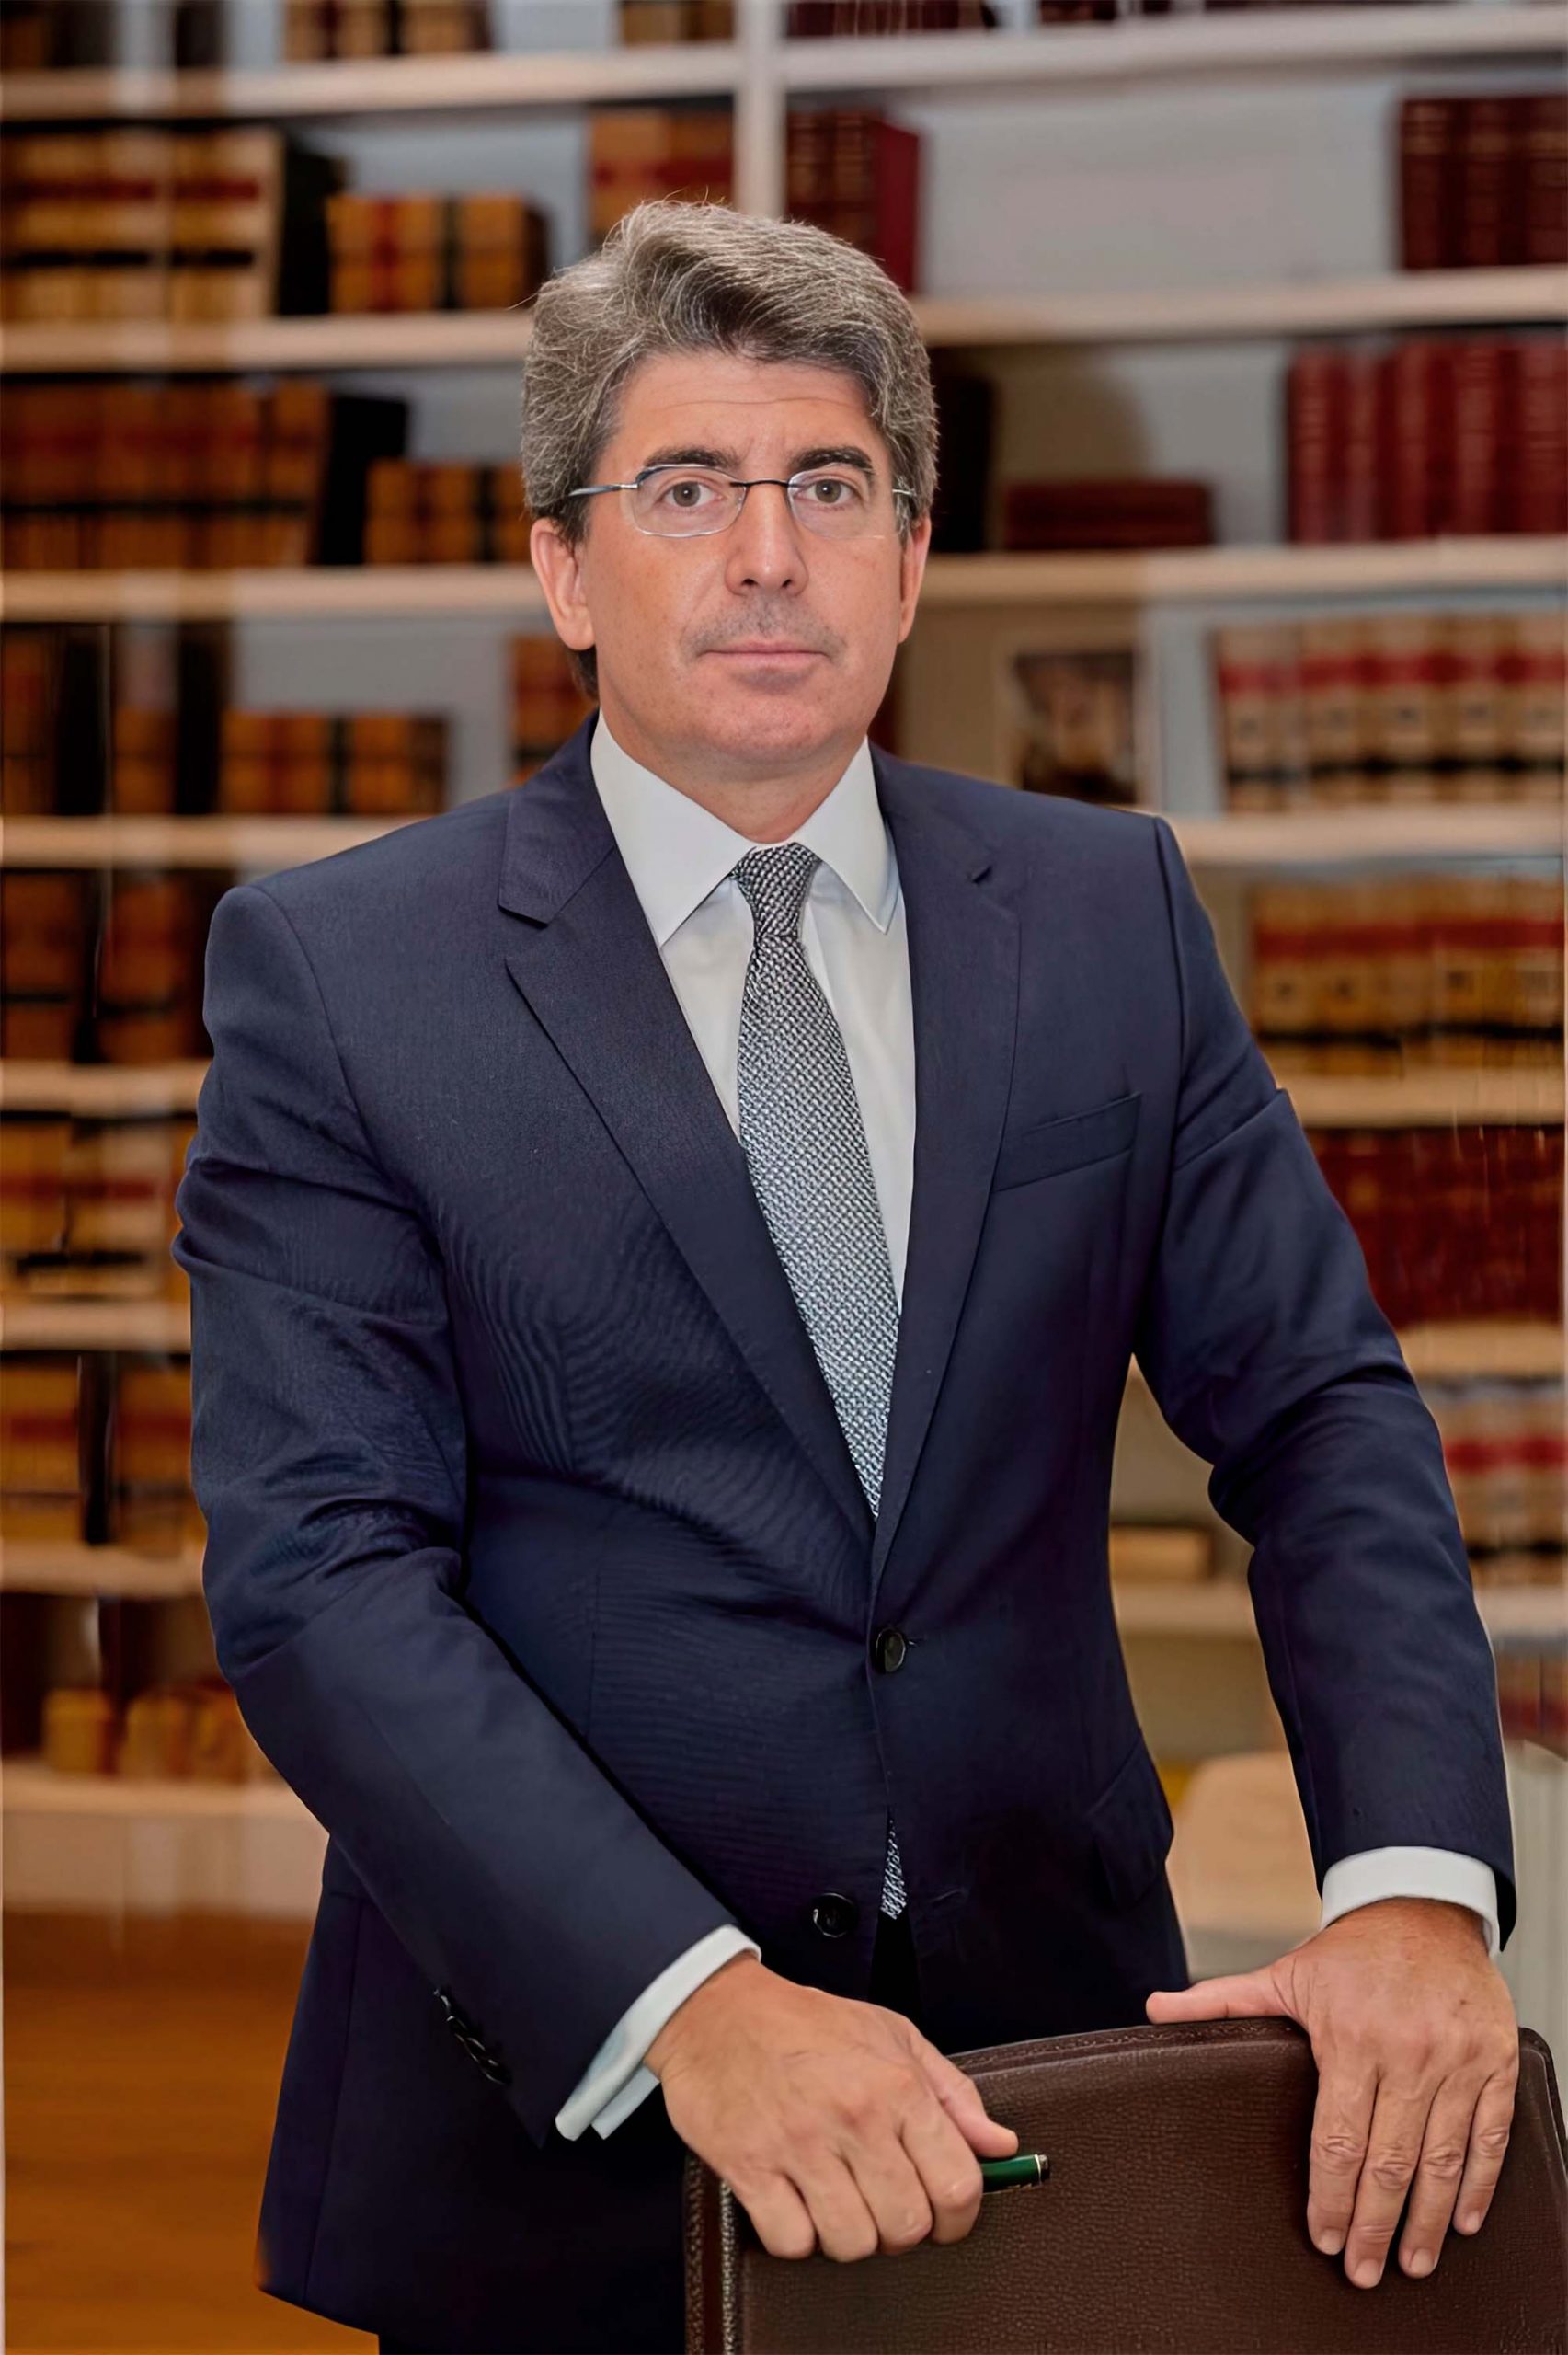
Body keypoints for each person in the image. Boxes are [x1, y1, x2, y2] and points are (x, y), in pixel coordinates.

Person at [172, 199, 1521, 2355]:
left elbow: (1317, 1410)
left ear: (911, 554)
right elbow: (319, 1577)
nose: (766, 555)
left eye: (828, 486)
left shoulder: (1107, 915)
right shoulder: (342, 978)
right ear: (562, 568)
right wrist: (693, 2001)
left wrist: (1414, 1883)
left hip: (1054, 2076)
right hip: (571, 2112)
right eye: (685, 489)